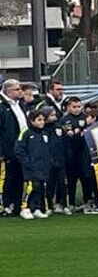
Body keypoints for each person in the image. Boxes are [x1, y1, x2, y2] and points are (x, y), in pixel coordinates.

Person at [15, 106, 54, 219]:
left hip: (43, 167)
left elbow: (48, 150)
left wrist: (49, 162)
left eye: (43, 120)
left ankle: (36, 207)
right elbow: (19, 150)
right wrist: (28, 163)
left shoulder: (44, 134)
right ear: (32, 121)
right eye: (39, 120)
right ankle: (24, 208)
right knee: (31, 187)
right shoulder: (26, 133)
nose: (42, 122)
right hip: (31, 168)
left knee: (40, 188)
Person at [0, 78, 29, 216]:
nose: (20, 92)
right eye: (17, 89)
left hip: (21, 147)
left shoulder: (20, 104)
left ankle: (17, 205)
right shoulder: (1, 105)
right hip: (9, 148)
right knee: (9, 177)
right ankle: (7, 204)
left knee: (20, 177)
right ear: (8, 91)